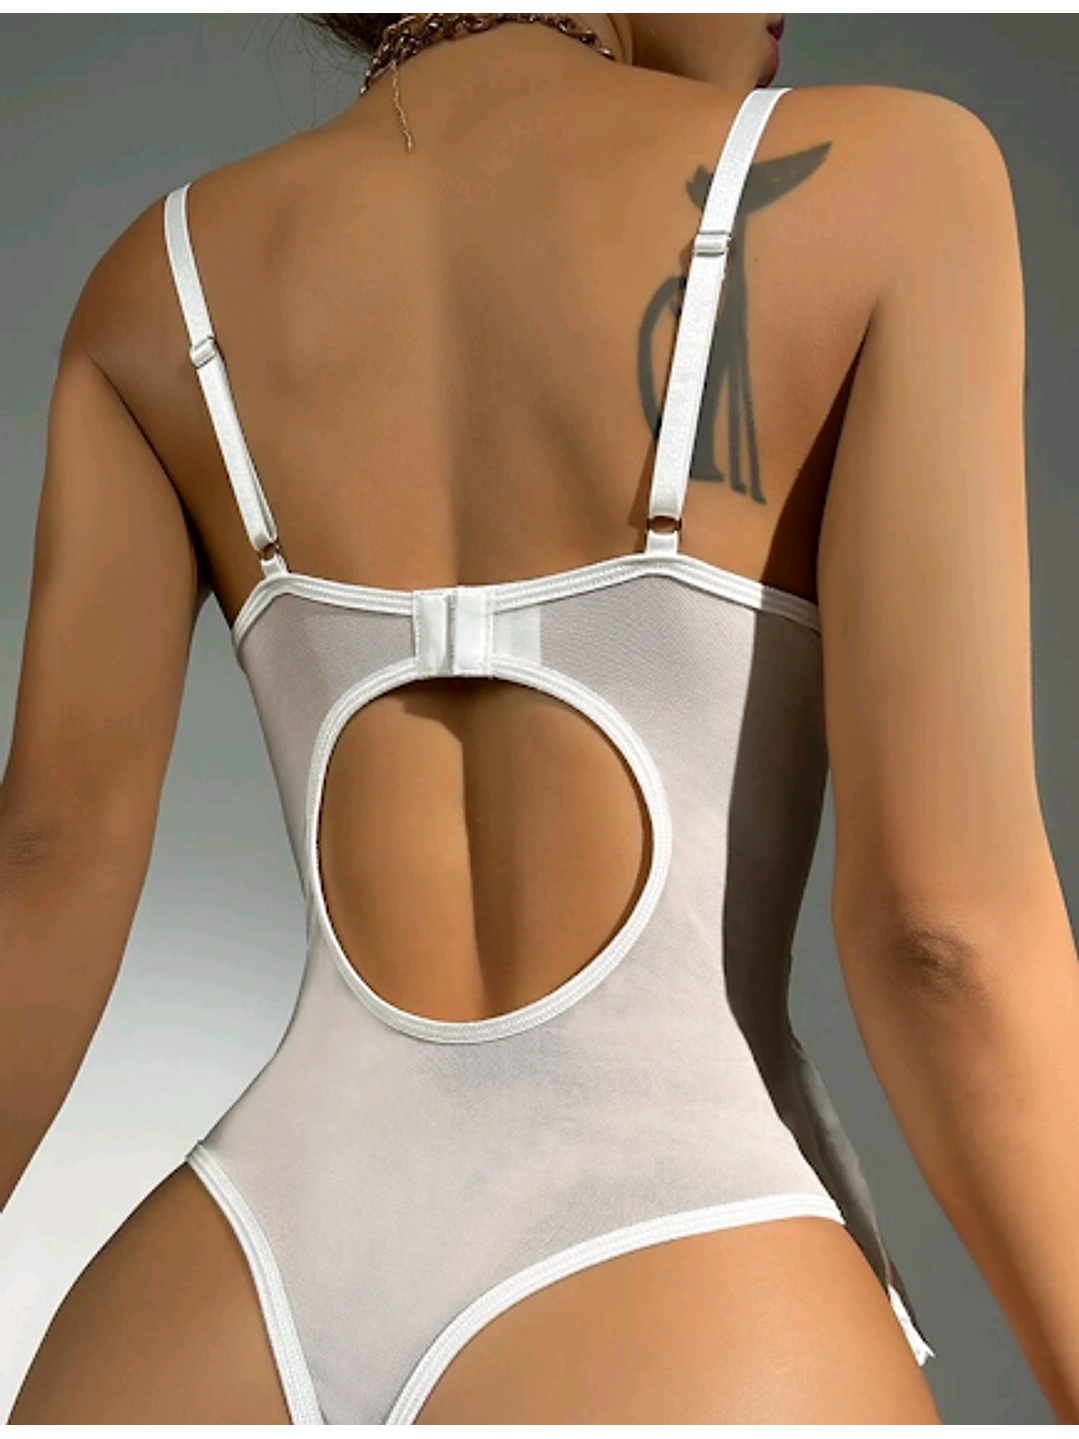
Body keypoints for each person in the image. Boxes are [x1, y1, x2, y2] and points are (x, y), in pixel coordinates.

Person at [3, 10, 1077, 1426]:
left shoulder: (164, 281)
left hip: (220, 1302)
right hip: (683, 1284)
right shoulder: (892, 180)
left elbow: (43, 867)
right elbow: (944, 939)